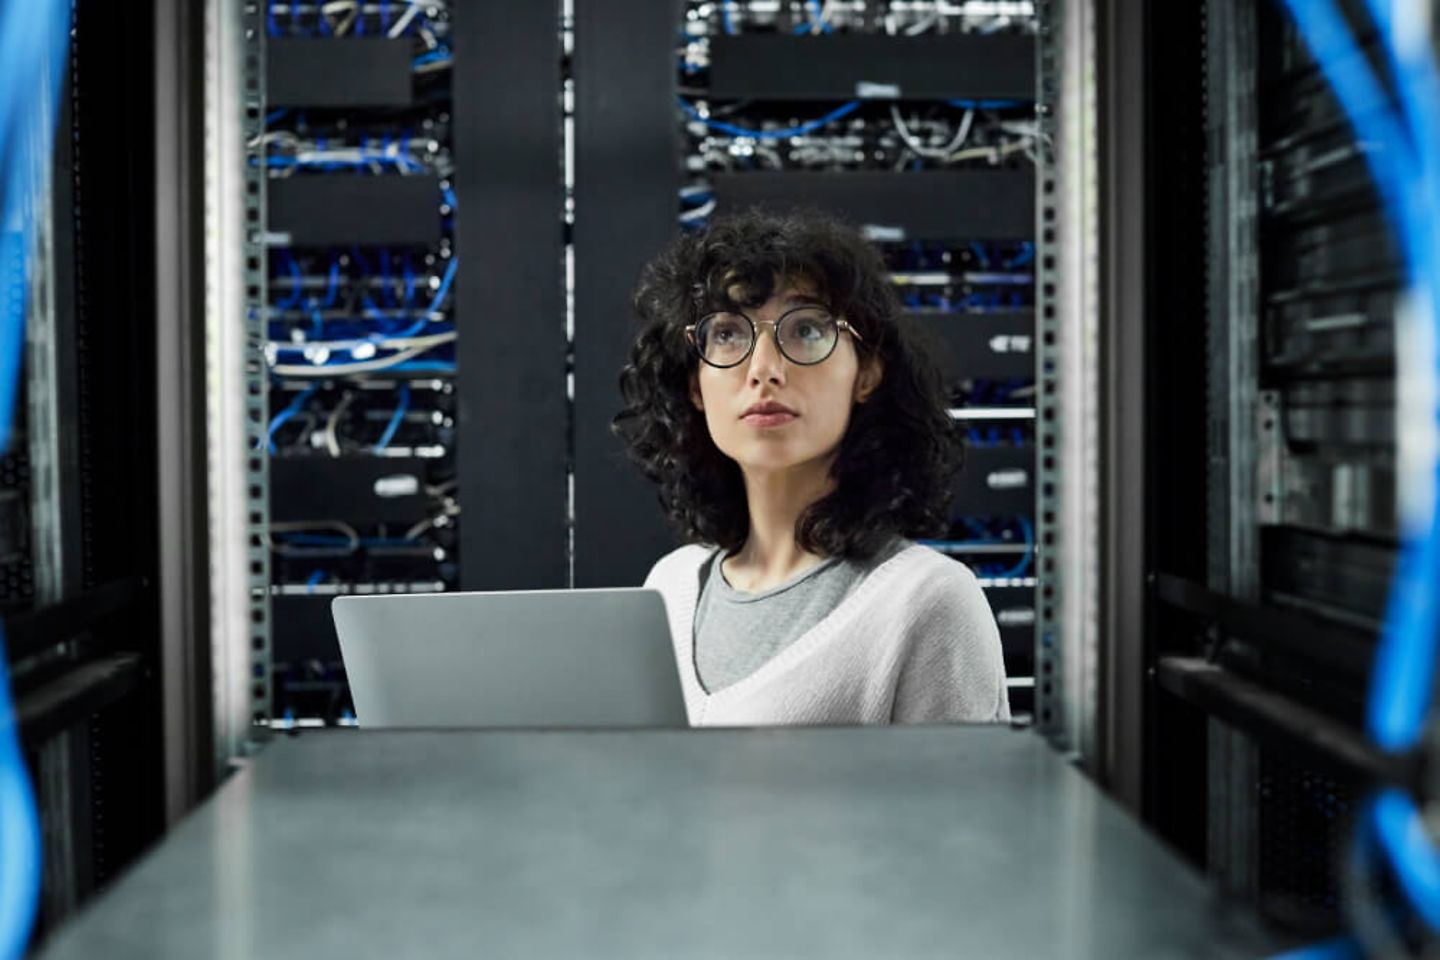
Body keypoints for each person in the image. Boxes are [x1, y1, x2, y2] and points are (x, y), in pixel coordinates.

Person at [613, 208, 1009, 727]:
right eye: (728, 334)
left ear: (866, 372)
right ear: (695, 386)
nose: (764, 370)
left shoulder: (927, 601)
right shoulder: (670, 585)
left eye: (805, 330)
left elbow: (969, 810)